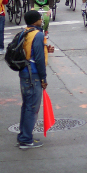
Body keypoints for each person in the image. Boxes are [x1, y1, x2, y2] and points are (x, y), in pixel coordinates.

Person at [18, 10, 54, 148]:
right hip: (34, 76)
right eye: (40, 18)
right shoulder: (38, 35)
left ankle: (23, 135)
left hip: (25, 74)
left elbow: (30, 52)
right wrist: (43, 78)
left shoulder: (25, 32)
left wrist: (46, 50)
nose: (42, 20)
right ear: (35, 21)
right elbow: (38, 59)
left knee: (26, 105)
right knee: (32, 107)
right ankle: (26, 139)